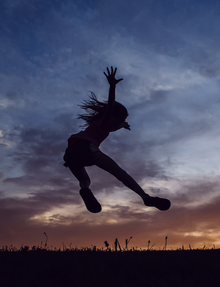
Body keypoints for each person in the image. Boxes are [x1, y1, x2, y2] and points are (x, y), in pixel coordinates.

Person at [63, 66, 171, 213]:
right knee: (119, 172)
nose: (119, 123)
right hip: (86, 148)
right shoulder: (104, 121)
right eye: (120, 119)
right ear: (113, 115)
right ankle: (145, 197)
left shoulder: (102, 126)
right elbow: (110, 105)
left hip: (71, 153)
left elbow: (113, 126)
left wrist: (121, 125)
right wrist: (112, 86)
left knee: (84, 180)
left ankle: (85, 190)